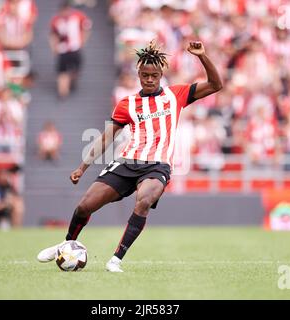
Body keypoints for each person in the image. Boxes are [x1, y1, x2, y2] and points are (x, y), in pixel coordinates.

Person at [37, 40, 223, 272]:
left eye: (154, 75)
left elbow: (216, 84)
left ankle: (116, 259)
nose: (149, 79)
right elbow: (106, 138)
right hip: (127, 162)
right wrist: (82, 167)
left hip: (157, 165)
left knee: (144, 200)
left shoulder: (177, 95)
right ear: (138, 74)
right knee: (85, 206)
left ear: (161, 74)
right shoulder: (127, 104)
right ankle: (66, 244)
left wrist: (202, 56)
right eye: (145, 75)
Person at [49, 1, 92, 98]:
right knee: (62, 72)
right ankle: (63, 92)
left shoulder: (78, 16)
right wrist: (54, 47)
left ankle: (71, 81)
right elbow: (53, 35)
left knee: (76, 70)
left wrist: (82, 41)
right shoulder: (56, 20)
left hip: (75, 49)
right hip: (63, 50)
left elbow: (87, 27)